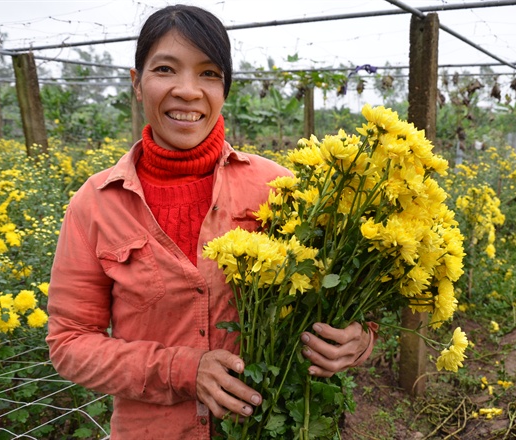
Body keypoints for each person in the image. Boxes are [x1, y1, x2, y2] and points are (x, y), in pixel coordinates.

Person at [46, 5, 376, 439]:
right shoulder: (95, 204)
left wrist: (358, 341)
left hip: (274, 427)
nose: (187, 90)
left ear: (225, 89)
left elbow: (343, 306)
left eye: (208, 73)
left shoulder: (281, 189)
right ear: (136, 83)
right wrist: (182, 369)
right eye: (165, 69)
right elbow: (69, 342)